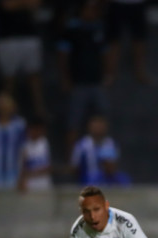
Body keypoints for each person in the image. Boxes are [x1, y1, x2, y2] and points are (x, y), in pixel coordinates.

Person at [57, 0, 109, 152]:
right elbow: (62, 54)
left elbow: (105, 53)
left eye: (94, 10)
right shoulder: (72, 29)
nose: (91, 13)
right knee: (73, 122)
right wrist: (65, 78)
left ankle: (103, 156)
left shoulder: (100, 28)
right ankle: (72, 159)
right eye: (88, 9)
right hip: (78, 83)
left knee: (102, 119)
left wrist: (108, 74)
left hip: (97, 82)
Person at [0, 0, 47, 118]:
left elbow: (36, 3)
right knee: (9, 79)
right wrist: (25, 3)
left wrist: (19, 3)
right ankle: (7, 113)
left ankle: (40, 112)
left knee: (34, 75)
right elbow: (7, 5)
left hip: (29, 35)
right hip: (6, 37)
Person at [70, 115, 130, 186]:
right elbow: (74, 166)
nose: (98, 129)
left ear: (106, 127)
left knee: (123, 179)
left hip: (108, 180)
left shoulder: (112, 143)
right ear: (89, 127)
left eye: (100, 126)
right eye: (95, 126)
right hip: (87, 181)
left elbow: (113, 165)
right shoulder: (81, 145)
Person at [105, 0, 151, 85]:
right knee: (113, 39)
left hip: (137, 3)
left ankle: (140, 72)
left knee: (139, 39)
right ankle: (110, 74)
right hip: (116, 3)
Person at [19, 117, 52, 191]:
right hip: (30, 185)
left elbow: (47, 167)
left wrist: (33, 173)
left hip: (44, 184)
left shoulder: (44, 142)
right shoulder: (24, 145)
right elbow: (22, 168)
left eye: (39, 130)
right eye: (34, 130)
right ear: (30, 130)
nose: (37, 132)